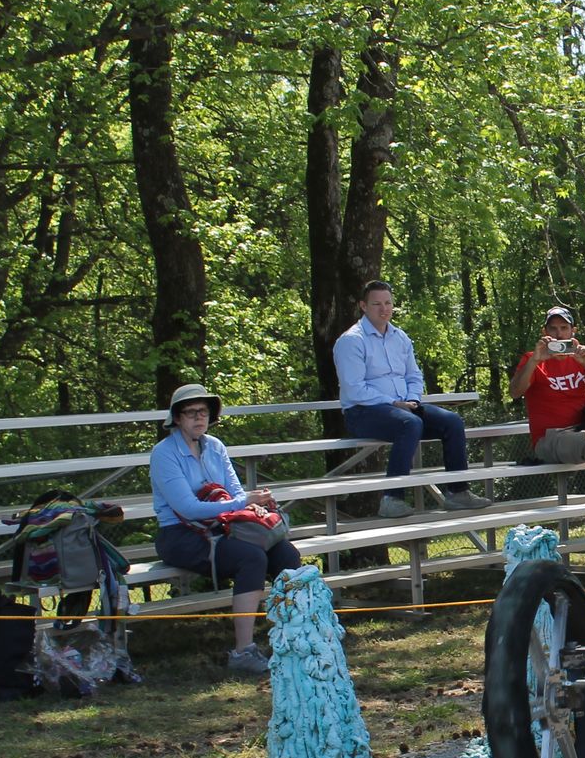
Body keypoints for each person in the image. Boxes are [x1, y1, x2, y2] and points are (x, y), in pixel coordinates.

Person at [150, 384, 302, 674]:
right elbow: (188, 508)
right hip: (179, 535)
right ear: (177, 418)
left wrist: (253, 505)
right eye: (191, 412)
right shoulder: (164, 453)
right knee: (251, 557)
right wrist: (244, 501)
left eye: (204, 412)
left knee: (285, 553)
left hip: (223, 527)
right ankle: (242, 651)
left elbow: (234, 491)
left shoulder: (216, 447)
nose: (199, 418)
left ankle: (294, 636)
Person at [334, 281, 483, 517]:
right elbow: (354, 389)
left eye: (388, 303)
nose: (384, 309)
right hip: (364, 412)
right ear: (363, 306)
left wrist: (412, 400)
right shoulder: (351, 341)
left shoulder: (400, 337)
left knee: (452, 421)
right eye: (376, 304)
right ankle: (392, 499)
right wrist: (394, 403)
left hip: (403, 407)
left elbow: (414, 375)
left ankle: (458, 492)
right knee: (409, 423)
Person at [510, 306, 585, 485]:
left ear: (573, 332)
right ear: (545, 332)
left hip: (583, 429)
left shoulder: (581, 358)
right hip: (550, 440)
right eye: (553, 328)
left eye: (564, 328)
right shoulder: (533, 359)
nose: (559, 334)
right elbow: (515, 392)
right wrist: (535, 361)